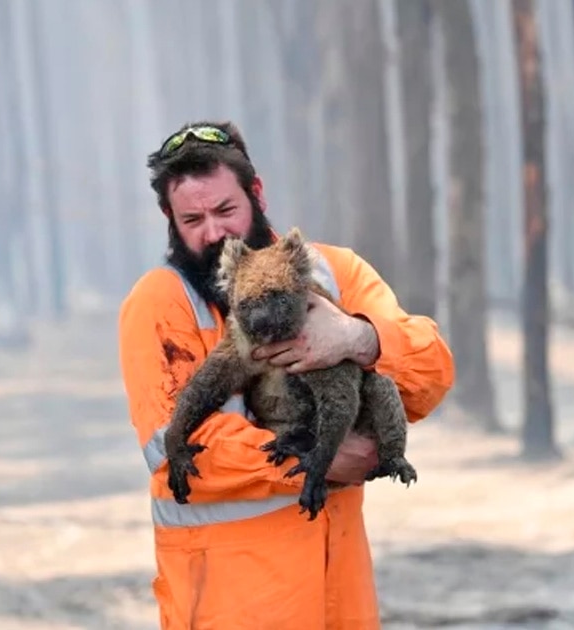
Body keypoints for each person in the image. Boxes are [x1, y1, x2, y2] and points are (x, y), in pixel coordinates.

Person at [117, 120, 455, 629]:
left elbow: (431, 372)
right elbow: (174, 447)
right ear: (169, 218)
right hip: (227, 609)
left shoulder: (333, 273)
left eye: (226, 210)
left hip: (341, 600)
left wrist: (359, 338)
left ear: (257, 193)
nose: (214, 232)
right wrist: (314, 460)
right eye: (192, 218)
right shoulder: (160, 304)